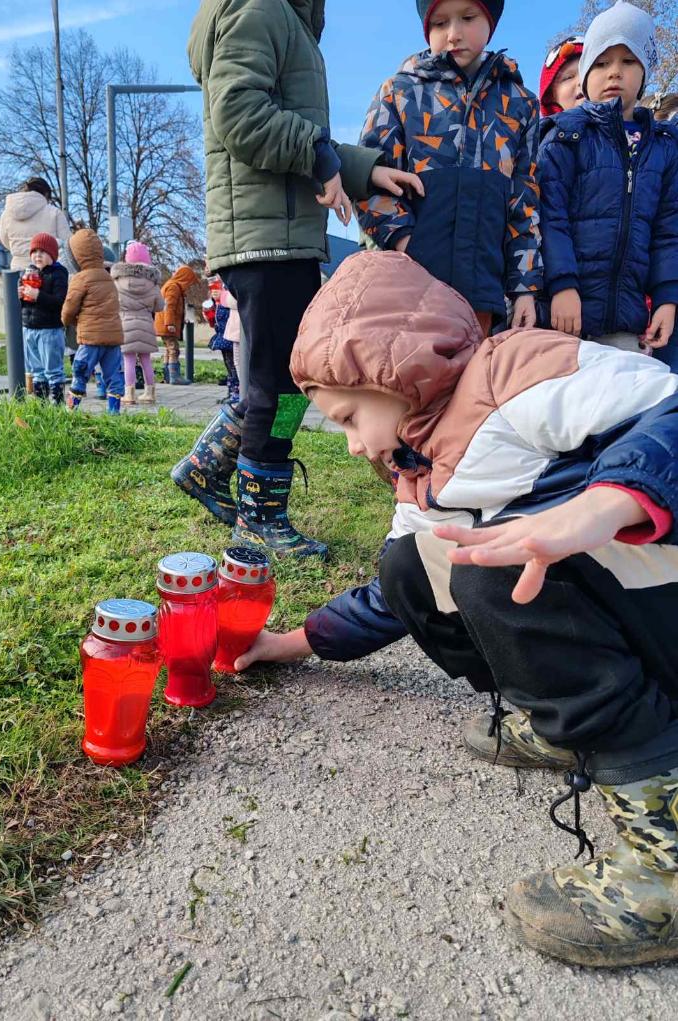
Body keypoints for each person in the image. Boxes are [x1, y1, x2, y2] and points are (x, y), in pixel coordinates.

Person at [288, 248, 678, 968]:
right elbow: (392, 601)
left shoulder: (513, 373)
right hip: (620, 596)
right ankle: (558, 723)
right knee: (416, 564)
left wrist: (607, 502)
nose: (347, 445)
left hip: (661, 594)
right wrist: (290, 643)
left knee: (492, 572)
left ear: (385, 369)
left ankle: (668, 863)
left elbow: (669, 405)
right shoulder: (423, 460)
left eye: (345, 417)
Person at [172, 0, 424, 559]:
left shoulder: (284, 17)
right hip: (265, 238)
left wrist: (361, 169)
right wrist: (316, 152)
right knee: (280, 385)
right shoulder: (259, 9)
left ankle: (205, 468)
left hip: (277, 234)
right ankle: (259, 518)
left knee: (277, 376)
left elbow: (283, 123)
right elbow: (238, 112)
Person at [357, 0, 543, 340]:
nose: (453, 34)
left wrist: (525, 288)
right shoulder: (399, 92)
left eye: (468, 18)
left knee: (475, 387)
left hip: (486, 293)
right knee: (410, 382)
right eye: (440, 24)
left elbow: (525, 201)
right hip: (410, 288)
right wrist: (406, 244)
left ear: (491, 22)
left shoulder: (521, 104)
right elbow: (369, 179)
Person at [538, 1, 678, 355]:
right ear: (586, 74)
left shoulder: (663, 148)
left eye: (628, 61)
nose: (614, 72)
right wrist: (562, 284)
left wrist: (666, 298)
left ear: (646, 71)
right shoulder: (565, 135)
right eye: (601, 63)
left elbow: (667, 230)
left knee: (628, 405)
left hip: (626, 322)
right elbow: (550, 217)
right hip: (563, 315)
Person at [61, 230, 125, 415]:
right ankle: (114, 414)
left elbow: (69, 307)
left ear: (76, 256)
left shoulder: (80, 278)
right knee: (114, 375)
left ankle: (71, 411)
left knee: (80, 371)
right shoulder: (109, 278)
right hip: (113, 338)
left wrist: (68, 321)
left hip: (91, 338)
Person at [19, 233, 69, 405]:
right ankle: (41, 404)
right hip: (29, 327)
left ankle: (57, 404)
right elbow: (21, 304)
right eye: (34, 251)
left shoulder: (58, 274)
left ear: (52, 255)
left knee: (53, 370)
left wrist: (38, 295)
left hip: (49, 329)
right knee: (36, 370)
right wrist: (18, 296)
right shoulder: (27, 273)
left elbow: (59, 301)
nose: (37, 255)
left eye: (42, 252)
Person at [111, 241, 162, 406]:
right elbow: (160, 306)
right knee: (146, 359)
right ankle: (150, 392)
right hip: (146, 323)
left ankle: (129, 393)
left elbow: (113, 302)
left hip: (125, 323)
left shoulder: (118, 281)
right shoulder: (153, 283)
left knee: (129, 360)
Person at [0, 177, 71, 271]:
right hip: (48, 272)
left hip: (17, 270)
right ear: (46, 194)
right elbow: (67, 243)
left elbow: (5, 240)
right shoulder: (54, 212)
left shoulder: (7, 214)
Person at [158, 265, 199, 386]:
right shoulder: (173, 287)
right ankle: (174, 376)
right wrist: (170, 323)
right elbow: (169, 306)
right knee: (173, 349)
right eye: (189, 282)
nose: (189, 285)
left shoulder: (173, 285)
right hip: (167, 325)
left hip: (164, 323)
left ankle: (167, 375)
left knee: (168, 349)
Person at [539, 36, 585, 118]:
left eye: (586, 71)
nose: (581, 81)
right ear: (551, 96)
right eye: (568, 77)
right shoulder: (547, 130)